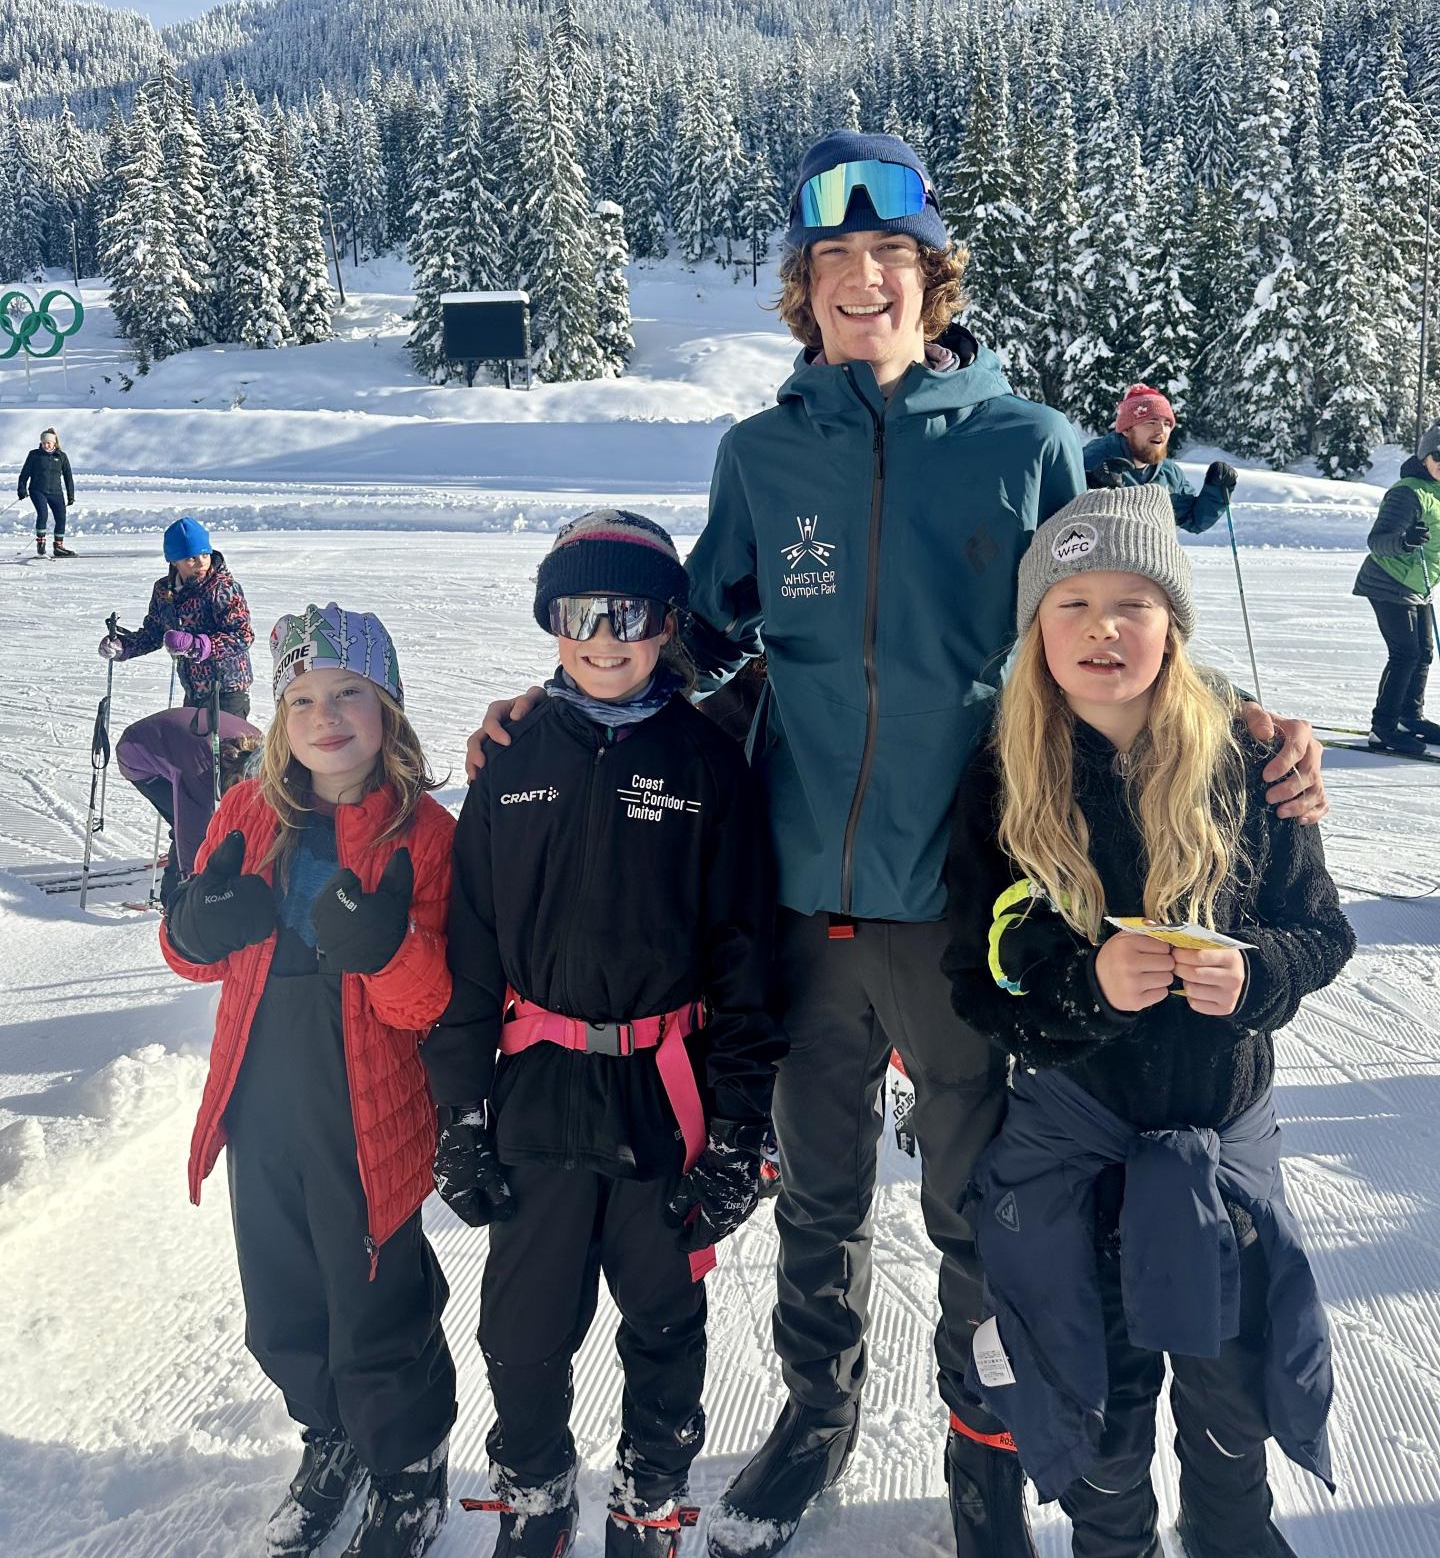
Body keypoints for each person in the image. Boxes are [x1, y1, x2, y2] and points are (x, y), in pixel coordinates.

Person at [466, 132, 1329, 1558]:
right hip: (803, 902)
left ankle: (982, 1447)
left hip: (968, 898)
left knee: (980, 1206)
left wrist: (1241, 719)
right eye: (832, 260)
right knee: (817, 1194)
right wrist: (548, 709)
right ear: (802, 290)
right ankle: (817, 1416)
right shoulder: (761, 457)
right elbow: (691, 645)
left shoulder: (1026, 444)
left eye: (889, 255)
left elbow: (1118, 621)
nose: (862, 280)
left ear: (933, 277)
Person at [943, 484, 1353, 1558]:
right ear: (1037, 629)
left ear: (1173, 624)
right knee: (1101, 1420)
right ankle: (1111, 1540)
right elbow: (977, 980)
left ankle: (1231, 1533)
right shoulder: (1001, 777)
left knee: (1232, 1405)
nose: (1103, 629)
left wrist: (1258, 974)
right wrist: (1088, 987)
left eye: (1133, 603)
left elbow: (1321, 930)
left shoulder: (1250, 764)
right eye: (1072, 603)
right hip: (1078, 1159)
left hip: (1220, 1159)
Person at [422, 511, 784, 1558]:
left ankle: (648, 1498)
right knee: (521, 1328)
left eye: (631, 614)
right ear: (552, 621)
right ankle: (534, 1494)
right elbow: (471, 949)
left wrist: (738, 1129)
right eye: (580, 613)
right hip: (538, 1089)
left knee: (664, 1320)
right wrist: (460, 1110)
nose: (605, 637)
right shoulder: (512, 759)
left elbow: (746, 958)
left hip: (664, 1094)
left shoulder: (708, 762)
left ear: (668, 622)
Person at [160, 603, 457, 1558]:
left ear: (388, 707)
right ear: (279, 719)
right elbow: (194, 955)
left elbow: (437, 1002)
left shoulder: (427, 835)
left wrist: (389, 950)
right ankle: (330, 1437)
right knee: (282, 1297)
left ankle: (407, 1465)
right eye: (300, 699)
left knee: (377, 1306)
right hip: (262, 1096)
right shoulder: (248, 812)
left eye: (347, 693)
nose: (324, 716)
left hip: (365, 1108)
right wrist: (194, 924)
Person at [98, 516, 255, 716]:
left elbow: (243, 635)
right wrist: (125, 646)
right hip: (194, 690)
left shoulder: (223, 588)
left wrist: (198, 645)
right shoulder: (164, 591)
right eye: (191, 558)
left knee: (224, 738)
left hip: (228, 690)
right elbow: (154, 633)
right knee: (188, 737)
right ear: (174, 560)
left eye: (205, 555)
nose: (201, 563)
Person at [115, 704, 263, 907]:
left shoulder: (261, 750)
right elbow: (193, 832)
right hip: (136, 751)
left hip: (180, 741)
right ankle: (172, 901)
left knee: (201, 817)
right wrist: (192, 886)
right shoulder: (202, 771)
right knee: (188, 825)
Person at [1352, 422, 1440, 756]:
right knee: (1405, 654)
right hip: (1388, 581)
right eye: (1438, 455)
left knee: (1424, 653)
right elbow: (1377, 541)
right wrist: (1405, 541)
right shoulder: (1408, 492)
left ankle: (1409, 717)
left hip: (1420, 583)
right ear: (1424, 456)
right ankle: (1383, 728)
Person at [1084, 384, 1236, 534]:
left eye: (1167, 423)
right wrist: (1090, 484)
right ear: (1126, 430)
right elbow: (1069, 510)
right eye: (1151, 422)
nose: (1161, 430)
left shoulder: (1169, 473)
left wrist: (1216, 489)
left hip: (1150, 549)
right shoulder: (1092, 459)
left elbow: (1192, 519)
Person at [17, 425, 76, 557]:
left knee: (61, 517)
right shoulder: (34, 455)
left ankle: (58, 547)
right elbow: (24, 473)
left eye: (48, 443)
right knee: (43, 514)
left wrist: (70, 495)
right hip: (38, 490)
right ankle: (41, 543)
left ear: (54, 443)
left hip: (56, 492)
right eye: (43, 443)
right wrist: (21, 489)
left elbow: (68, 477)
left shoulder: (61, 456)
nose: (46, 445)